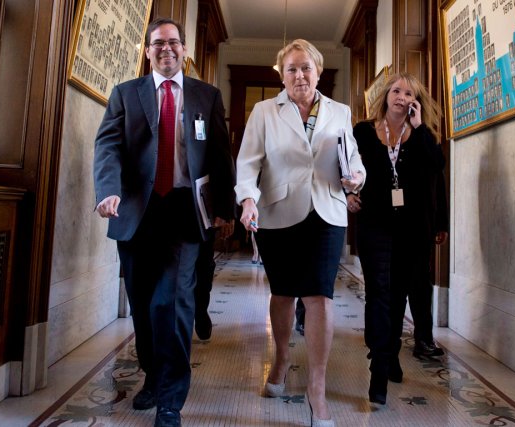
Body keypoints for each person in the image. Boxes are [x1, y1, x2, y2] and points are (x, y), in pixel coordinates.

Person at [93, 17, 235, 427]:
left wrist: (224, 209)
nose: (166, 49)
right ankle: (153, 375)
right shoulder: (126, 94)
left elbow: (219, 155)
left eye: (174, 42)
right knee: (141, 302)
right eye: (159, 43)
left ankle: (171, 400)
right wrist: (107, 189)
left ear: (185, 49)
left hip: (184, 213)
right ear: (148, 50)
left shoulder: (207, 96)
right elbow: (108, 146)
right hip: (137, 211)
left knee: (172, 303)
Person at [235, 39, 365, 427]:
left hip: (327, 211)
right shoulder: (264, 111)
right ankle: (282, 359)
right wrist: (247, 200)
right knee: (283, 292)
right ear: (282, 74)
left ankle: (318, 387)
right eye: (291, 69)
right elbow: (247, 163)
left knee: (320, 294)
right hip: (278, 212)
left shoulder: (340, 111)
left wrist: (358, 176)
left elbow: (353, 158)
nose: (299, 75)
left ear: (318, 71)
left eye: (306, 67)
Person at [347, 71, 448, 406]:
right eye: (397, 90)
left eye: (409, 93)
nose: (402, 96)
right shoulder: (362, 131)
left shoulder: (422, 136)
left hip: (412, 229)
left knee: (398, 295)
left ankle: (388, 353)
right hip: (374, 222)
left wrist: (419, 129)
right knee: (378, 293)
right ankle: (379, 364)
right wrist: (346, 195)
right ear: (386, 96)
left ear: (415, 102)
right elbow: (342, 167)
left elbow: (438, 169)